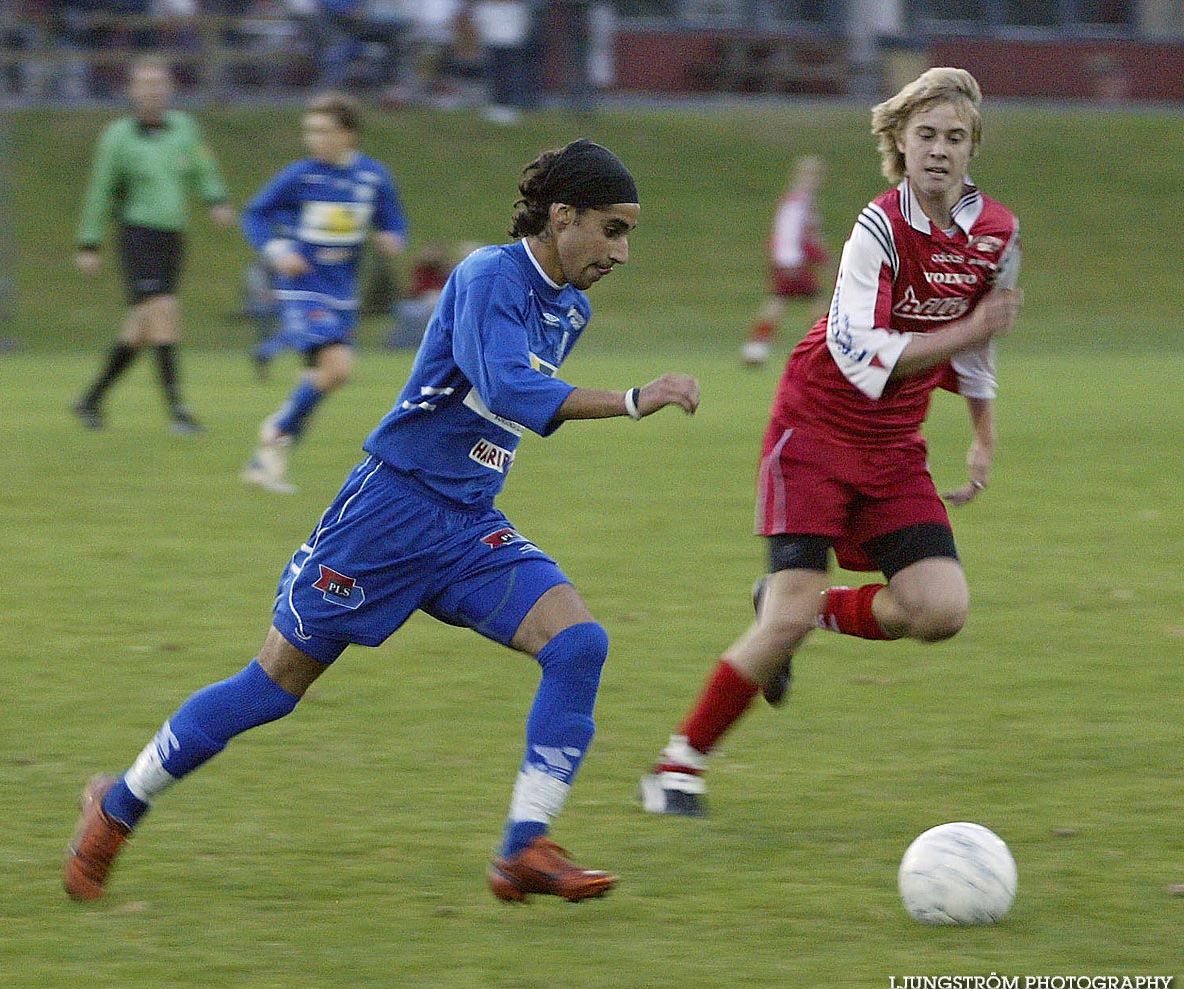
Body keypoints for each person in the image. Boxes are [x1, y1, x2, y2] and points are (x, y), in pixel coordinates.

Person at [65, 138, 701, 904]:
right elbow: (505, 388)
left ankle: (522, 850)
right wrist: (634, 398)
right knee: (272, 686)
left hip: (467, 522)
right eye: (612, 228)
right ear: (562, 216)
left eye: (628, 232)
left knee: (578, 644)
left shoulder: (569, 306)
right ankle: (117, 807)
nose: (622, 250)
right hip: (388, 516)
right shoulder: (486, 276)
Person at [639, 67, 1022, 817]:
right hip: (812, 430)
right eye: (924, 137)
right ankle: (676, 765)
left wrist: (980, 432)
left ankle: (809, 613)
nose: (938, 151)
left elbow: (977, 344)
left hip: (892, 445)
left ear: (972, 147)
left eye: (953, 138)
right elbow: (860, 352)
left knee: (939, 610)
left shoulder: (997, 234)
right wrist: (965, 330)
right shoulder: (875, 229)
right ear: (899, 145)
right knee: (781, 618)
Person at [241, 91, 409, 494]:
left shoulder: (373, 177)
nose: (313, 138)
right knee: (338, 369)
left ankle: (265, 462)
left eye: (323, 130)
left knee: (319, 378)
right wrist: (278, 250)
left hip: (342, 293)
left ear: (348, 135)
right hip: (302, 289)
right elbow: (255, 214)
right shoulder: (300, 176)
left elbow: (393, 219)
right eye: (309, 130)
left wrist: (392, 237)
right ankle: (277, 429)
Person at [71, 54, 234, 434]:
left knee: (141, 329)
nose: (152, 91)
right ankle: (178, 410)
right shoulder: (118, 137)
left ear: (170, 88)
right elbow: (100, 190)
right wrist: (89, 242)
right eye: (144, 84)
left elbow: (202, 168)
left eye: (159, 84)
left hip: (172, 237)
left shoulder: (185, 129)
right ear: (132, 90)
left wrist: (217, 200)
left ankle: (91, 399)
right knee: (164, 311)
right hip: (137, 234)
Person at [739, 154, 830, 367]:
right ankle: (821, 351)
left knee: (777, 303)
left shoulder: (802, 200)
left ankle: (755, 350)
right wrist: (797, 261)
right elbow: (790, 233)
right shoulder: (798, 202)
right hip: (793, 263)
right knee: (816, 302)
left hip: (791, 263)